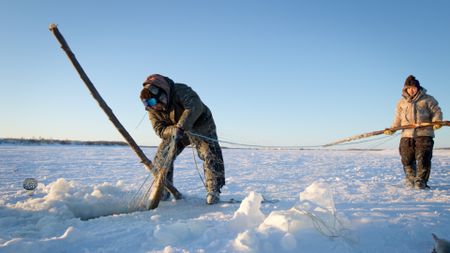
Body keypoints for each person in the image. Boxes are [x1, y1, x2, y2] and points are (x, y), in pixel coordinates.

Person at [140, 74, 225, 204]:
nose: (151, 106)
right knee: (162, 156)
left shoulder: (180, 90)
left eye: (152, 102)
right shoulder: (152, 109)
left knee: (210, 153)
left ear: (161, 95)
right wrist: (174, 130)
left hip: (201, 124)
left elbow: (195, 107)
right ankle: (163, 191)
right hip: (176, 132)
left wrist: (181, 126)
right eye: (147, 104)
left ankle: (213, 190)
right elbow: (159, 129)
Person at [384, 75, 443, 189]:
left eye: (414, 88)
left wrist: (437, 121)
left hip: (424, 134)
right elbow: (397, 118)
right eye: (409, 88)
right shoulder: (401, 103)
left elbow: (437, 111)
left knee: (423, 159)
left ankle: (421, 182)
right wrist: (392, 128)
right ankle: (411, 180)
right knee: (406, 159)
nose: (411, 90)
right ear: (405, 89)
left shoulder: (428, 99)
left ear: (418, 88)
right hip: (406, 135)